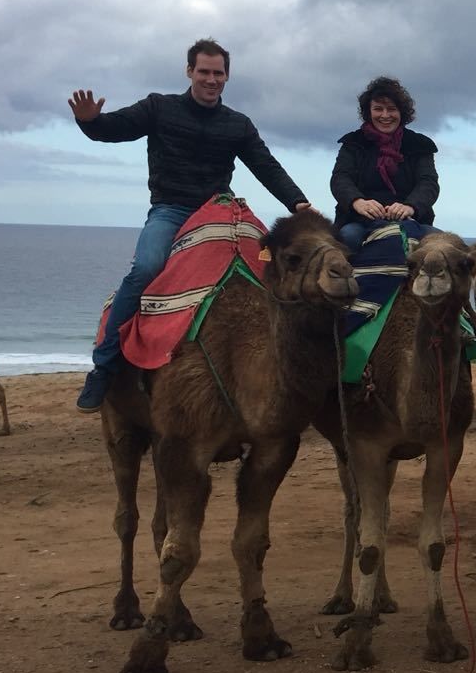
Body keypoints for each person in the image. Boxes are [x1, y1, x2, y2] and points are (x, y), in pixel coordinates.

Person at [69, 38, 314, 413]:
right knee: (147, 268)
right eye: (204, 71)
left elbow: (266, 166)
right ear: (189, 72)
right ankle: (104, 368)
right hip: (171, 210)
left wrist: (297, 204)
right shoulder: (159, 108)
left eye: (218, 73)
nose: (211, 79)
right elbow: (114, 128)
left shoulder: (237, 124)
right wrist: (90, 121)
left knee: (275, 271)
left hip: (220, 211)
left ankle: (294, 367)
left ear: (227, 76)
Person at [329, 76, 439, 248]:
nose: (385, 115)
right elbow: (340, 178)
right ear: (369, 112)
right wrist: (357, 202)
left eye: (392, 109)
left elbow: (428, 182)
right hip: (359, 223)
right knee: (347, 237)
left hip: (411, 221)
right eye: (378, 109)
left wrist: (410, 206)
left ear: (401, 112)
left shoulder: (420, 145)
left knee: (443, 243)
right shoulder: (353, 143)